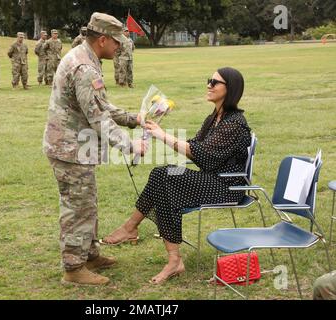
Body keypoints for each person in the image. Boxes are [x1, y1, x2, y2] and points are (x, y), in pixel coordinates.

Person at [102, 67, 252, 284]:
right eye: (208, 80)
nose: (209, 85)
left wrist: (164, 136)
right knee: (161, 175)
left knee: (165, 178)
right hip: (212, 180)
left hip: (227, 188)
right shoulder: (215, 117)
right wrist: (157, 129)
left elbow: (204, 155)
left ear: (230, 89)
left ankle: (136, 233)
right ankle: (145, 239)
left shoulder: (234, 123)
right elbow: (196, 146)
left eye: (215, 82)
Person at [42, 12, 147, 286]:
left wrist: (132, 118)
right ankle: (74, 269)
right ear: (102, 39)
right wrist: (129, 145)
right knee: (78, 207)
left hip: (75, 147)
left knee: (87, 203)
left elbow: (101, 105)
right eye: (116, 42)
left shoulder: (86, 57)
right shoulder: (85, 67)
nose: (120, 46)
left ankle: (88, 255)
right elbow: (98, 118)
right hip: (70, 149)